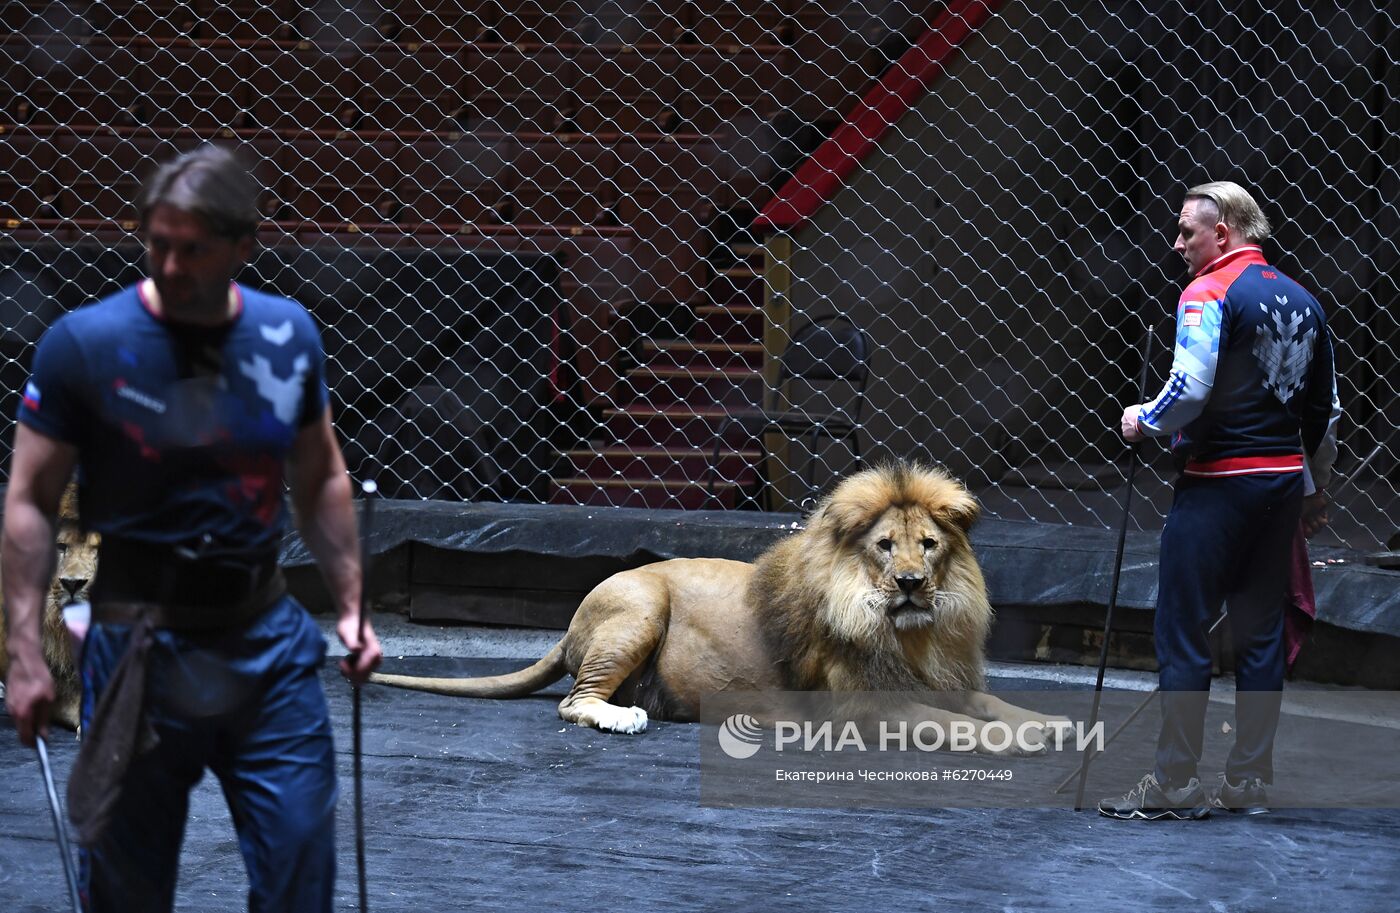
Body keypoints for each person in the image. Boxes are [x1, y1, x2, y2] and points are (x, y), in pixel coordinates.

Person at [2, 145, 383, 910]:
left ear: (244, 247)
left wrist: (349, 603)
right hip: (141, 644)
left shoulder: (287, 335)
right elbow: (29, 499)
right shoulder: (86, 343)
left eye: (195, 249)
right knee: (125, 890)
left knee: (300, 876)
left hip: (265, 640)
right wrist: (22, 652)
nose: (171, 266)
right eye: (158, 244)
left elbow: (321, 475)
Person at [1098, 180, 1340, 821]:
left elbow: (1190, 389)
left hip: (1216, 487)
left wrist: (1142, 420)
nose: (1177, 244)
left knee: (1183, 632)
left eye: (1187, 232)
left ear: (1223, 233)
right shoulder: (1307, 301)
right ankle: (1250, 783)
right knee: (1260, 636)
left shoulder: (1206, 292)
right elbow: (1324, 411)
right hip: (1280, 487)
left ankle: (1175, 784)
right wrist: (1310, 488)